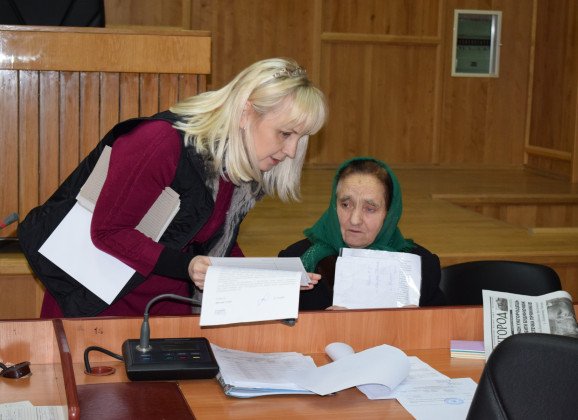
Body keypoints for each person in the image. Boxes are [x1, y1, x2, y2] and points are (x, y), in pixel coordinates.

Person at [18, 57, 328, 318]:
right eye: (285, 133)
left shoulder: (239, 166)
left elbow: (216, 244)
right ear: (245, 113)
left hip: (165, 309)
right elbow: (108, 232)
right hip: (98, 306)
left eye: (300, 138)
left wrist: (267, 281)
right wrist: (188, 265)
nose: (291, 151)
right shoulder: (160, 141)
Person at [279, 157, 447, 310]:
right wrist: (322, 325)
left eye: (370, 209)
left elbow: (444, 328)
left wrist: (417, 322)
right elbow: (276, 329)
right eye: (346, 205)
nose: (355, 219)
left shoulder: (421, 267)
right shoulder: (297, 261)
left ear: (389, 214)